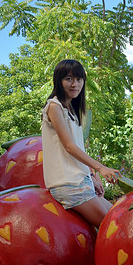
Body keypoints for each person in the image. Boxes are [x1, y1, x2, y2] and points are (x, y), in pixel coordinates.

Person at [41, 59, 120, 227]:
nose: (74, 84)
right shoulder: (54, 106)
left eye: (78, 79)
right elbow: (69, 147)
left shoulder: (71, 110)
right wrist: (101, 167)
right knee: (112, 226)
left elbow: (78, 147)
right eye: (68, 79)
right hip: (67, 184)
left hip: (80, 180)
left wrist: (92, 176)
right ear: (59, 81)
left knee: (118, 215)